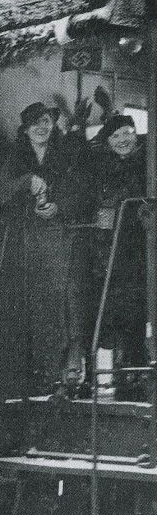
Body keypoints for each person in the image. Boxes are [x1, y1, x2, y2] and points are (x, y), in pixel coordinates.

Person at [0, 102, 93, 397]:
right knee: (40, 304)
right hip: (30, 240)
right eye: (35, 123)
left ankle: (73, 368)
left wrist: (59, 206)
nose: (41, 128)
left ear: (53, 124)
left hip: (64, 235)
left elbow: (83, 191)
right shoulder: (17, 156)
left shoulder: (65, 151)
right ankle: (49, 373)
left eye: (46, 121)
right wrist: (27, 181)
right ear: (25, 129)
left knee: (69, 297)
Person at [88, 115, 148, 400]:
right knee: (119, 310)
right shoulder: (102, 167)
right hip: (114, 248)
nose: (124, 139)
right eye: (116, 136)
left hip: (142, 245)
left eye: (128, 132)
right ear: (108, 142)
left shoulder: (147, 160)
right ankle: (126, 373)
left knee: (138, 308)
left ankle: (137, 372)